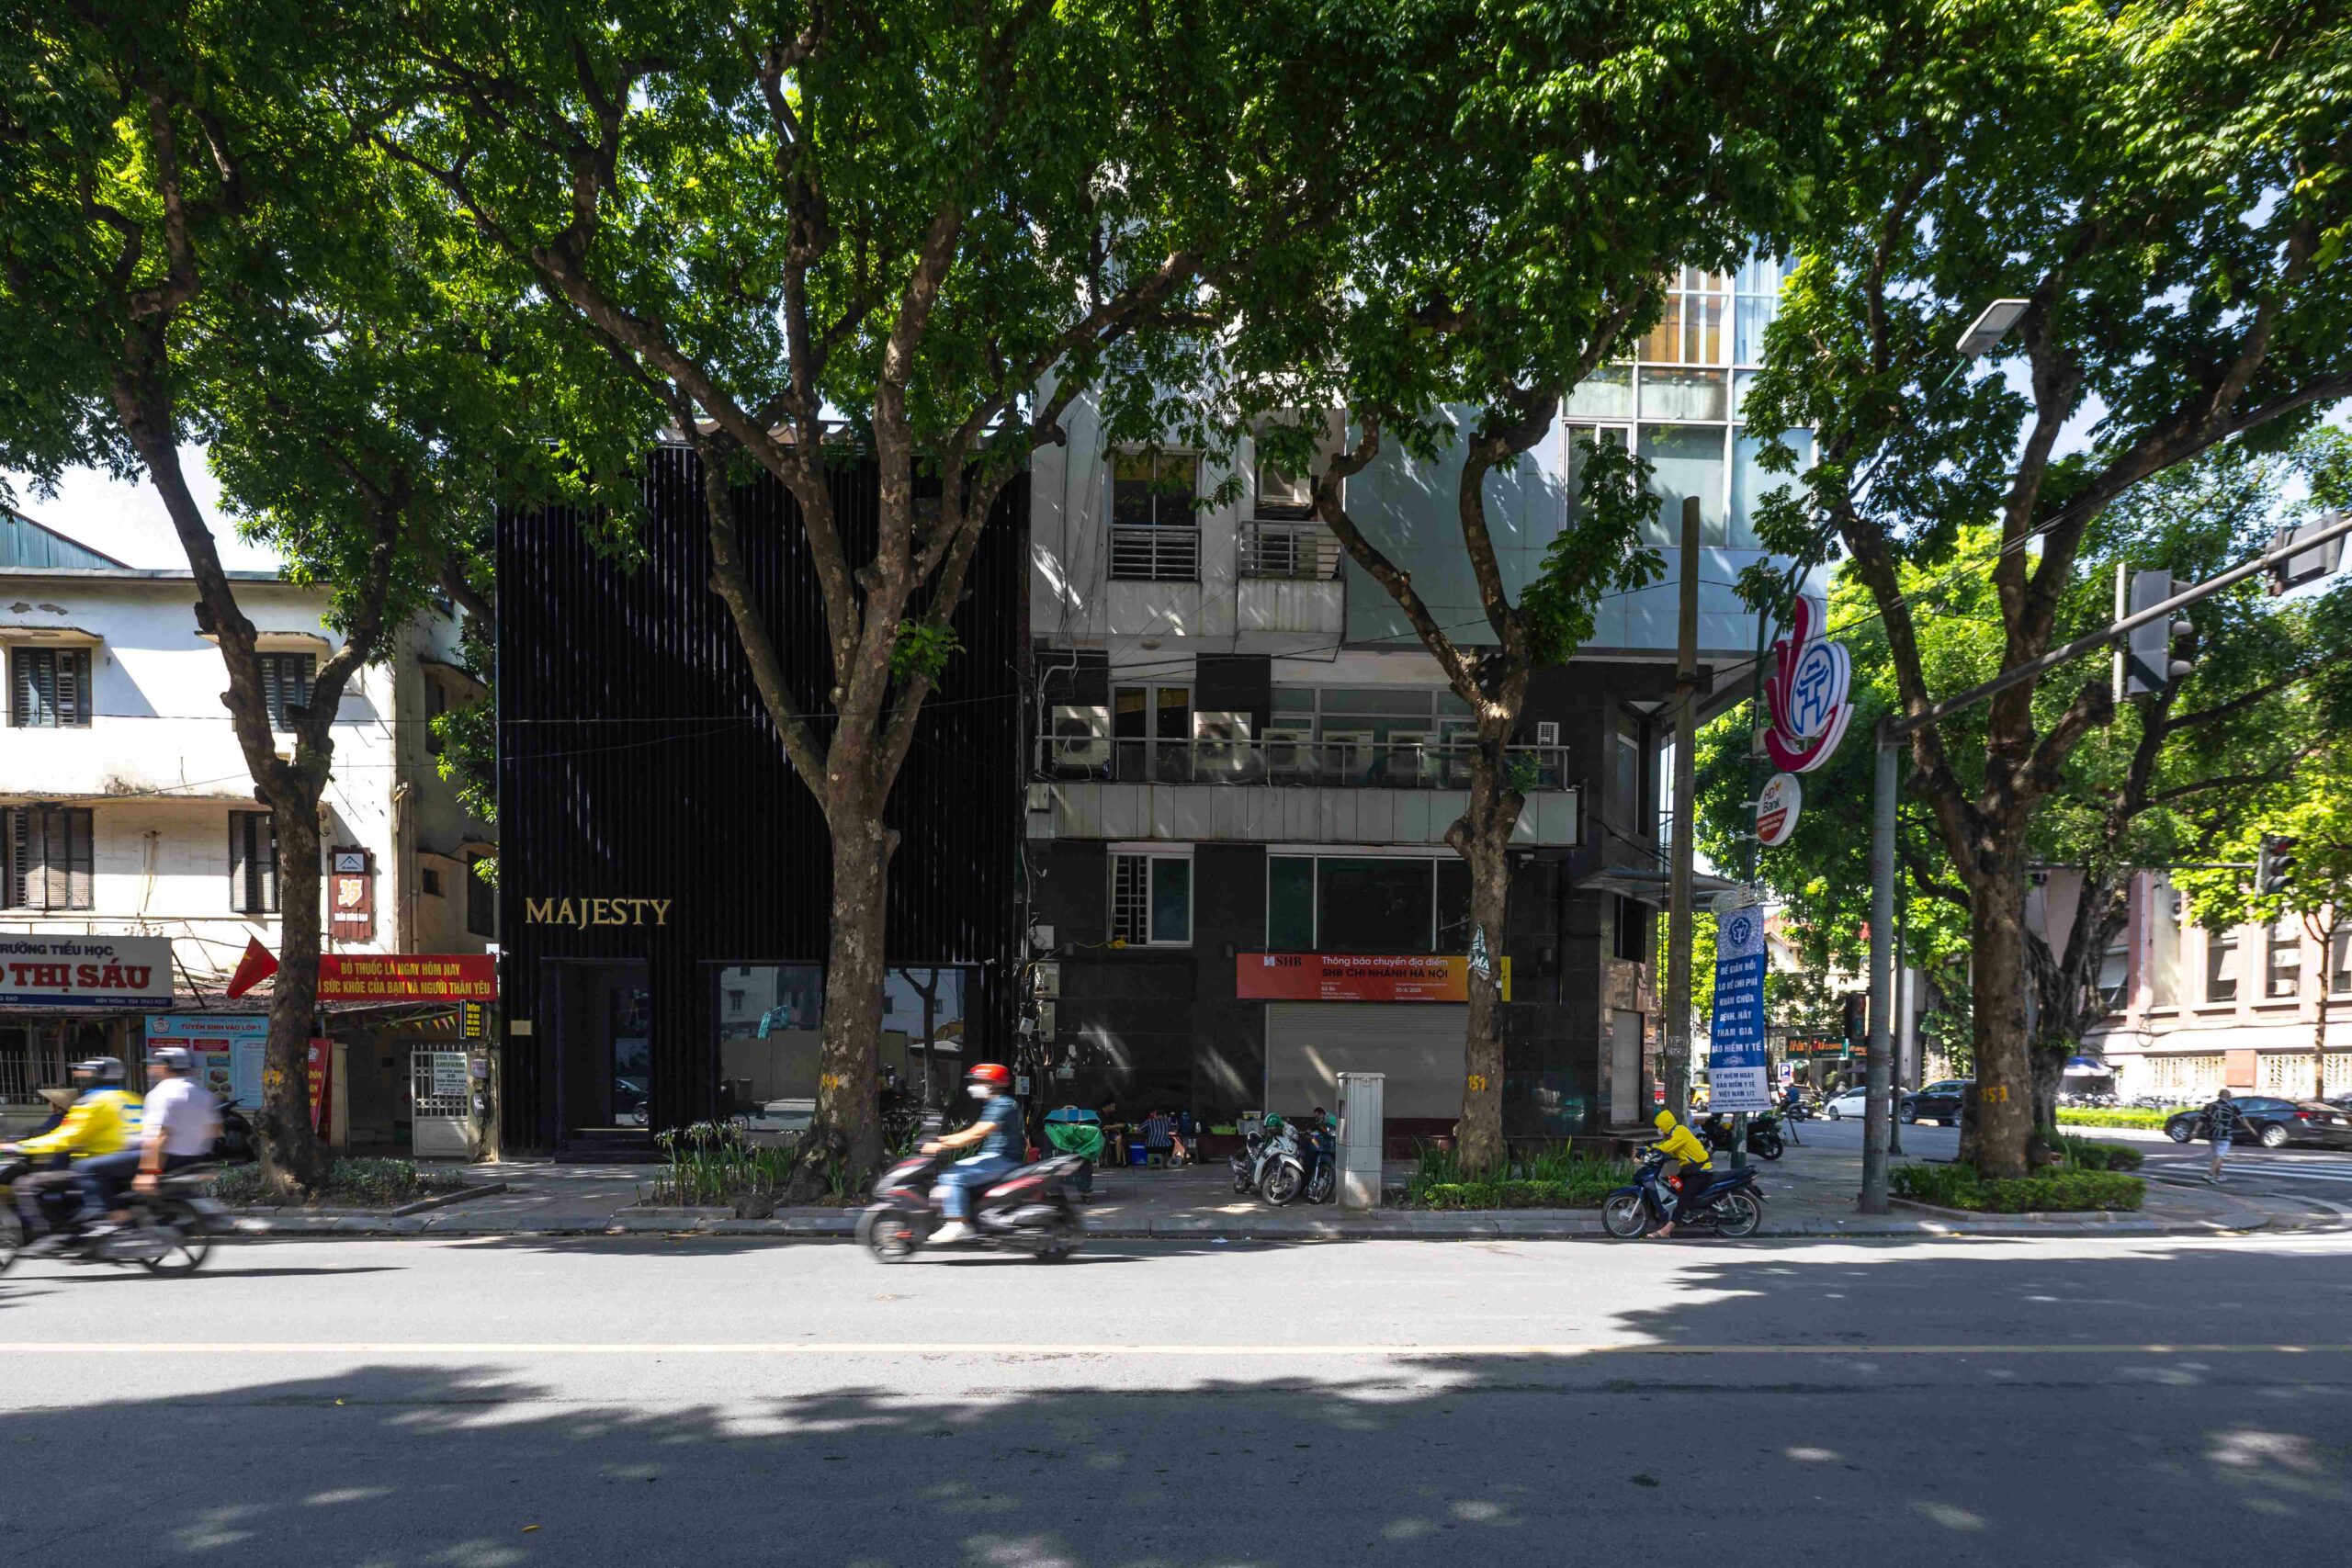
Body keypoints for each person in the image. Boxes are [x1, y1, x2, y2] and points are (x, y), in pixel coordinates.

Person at [2, 1056, 141, 1250]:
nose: (79, 1077)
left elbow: (66, 1138)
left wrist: (20, 1147)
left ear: (96, 1075)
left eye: (85, 1073)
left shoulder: (94, 1102)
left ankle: (57, 1236)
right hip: (129, 1161)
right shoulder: (133, 1097)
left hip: (98, 1163)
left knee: (27, 1185)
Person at [925, 1063, 1023, 1244]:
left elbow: (976, 1134)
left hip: (1002, 1159)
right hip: (995, 1157)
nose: (974, 1085)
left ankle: (958, 1224)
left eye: (979, 1081)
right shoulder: (996, 1104)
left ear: (994, 1084)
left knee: (953, 1176)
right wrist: (940, 1141)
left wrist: (941, 1144)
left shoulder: (1002, 1104)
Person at [129, 1045, 221, 1195]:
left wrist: (149, 1172)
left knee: (92, 1169)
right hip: (196, 1159)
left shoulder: (162, 1093)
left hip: (166, 1160)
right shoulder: (203, 1093)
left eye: (154, 1064)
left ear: (165, 1067)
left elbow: (159, 1135)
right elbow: (215, 1130)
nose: (150, 1068)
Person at [1646, 1106, 1714, 1239]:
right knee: (1671, 1186)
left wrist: (1649, 1148)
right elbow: (1673, 1150)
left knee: (1683, 1199)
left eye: (1659, 1127)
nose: (1659, 1130)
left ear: (1665, 1126)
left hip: (1700, 1172)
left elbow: (1666, 1148)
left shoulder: (1680, 1132)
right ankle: (1681, 1217)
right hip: (1690, 1170)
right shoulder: (1675, 1133)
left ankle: (1667, 1230)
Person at [2203, 1088, 2246, 1183]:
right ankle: (2210, 1174)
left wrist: (2194, 1131)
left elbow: (2201, 1119)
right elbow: (2242, 1120)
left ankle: (2218, 1175)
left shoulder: (2210, 1106)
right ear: (2228, 1096)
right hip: (2224, 1134)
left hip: (2211, 1134)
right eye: (2230, 1095)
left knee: (2217, 1155)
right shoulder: (2232, 1107)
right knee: (2220, 1155)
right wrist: (2252, 1130)